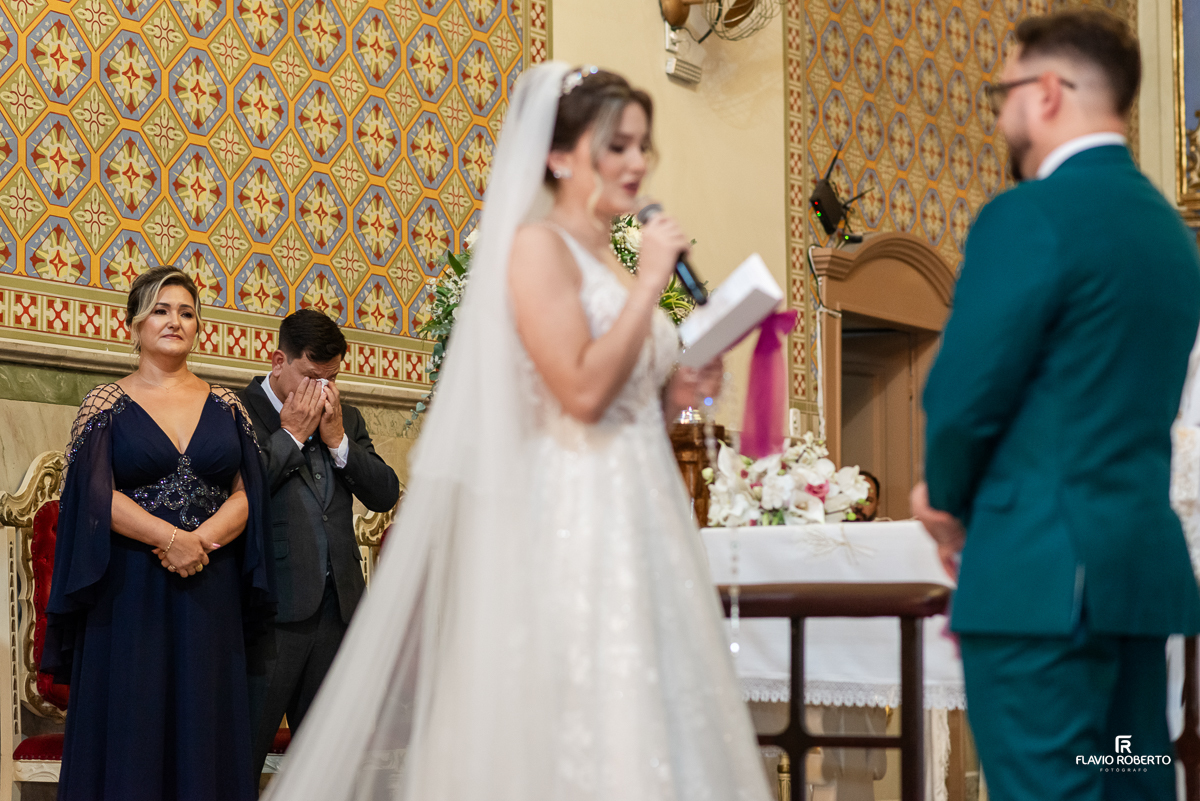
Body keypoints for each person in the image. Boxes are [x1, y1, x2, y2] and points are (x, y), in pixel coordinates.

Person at [261, 63, 771, 800]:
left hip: (640, 508)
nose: (636, 162)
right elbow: (581, 391)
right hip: (571, 511)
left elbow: (626, 410)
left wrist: (682, 388)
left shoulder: (610, 260)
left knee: (647, 714)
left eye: (642, 146)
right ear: (560, 156)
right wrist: (651, 286)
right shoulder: (537, 248)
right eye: (616, 145)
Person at [911, 11, 1200, 801]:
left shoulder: (1028, 215)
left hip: (1041, 586)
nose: (999, 114)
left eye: (1001, 93)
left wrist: (946, 503)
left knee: (1047, 788)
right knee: (1134, 782)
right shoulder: (1170, 238)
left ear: (1045, 93)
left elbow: (963, 395)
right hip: (1136, 585)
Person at [41, 266, 274, 800]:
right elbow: (93, 496)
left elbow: (248, 494)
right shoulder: (104, 403)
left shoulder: (228, 405)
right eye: (161, 310)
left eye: (187, 313)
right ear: (135, 324)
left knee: (205, 724)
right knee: (133, 724)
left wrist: (199, 541)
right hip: (129, 591)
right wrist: (171, 540)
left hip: (210, 586)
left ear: (198, 327)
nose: (175, 321)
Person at [240, 308, 401, 777]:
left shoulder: (345, 417)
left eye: (332, 378)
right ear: (279, 362)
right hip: (269, 613)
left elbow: (385, 493)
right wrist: (290, 435)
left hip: (337, 611)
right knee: (242, 755)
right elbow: (242, 493)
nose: (323, 390)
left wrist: (338, 442)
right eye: (312, 377)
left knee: (328, 767)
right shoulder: (238, 410)